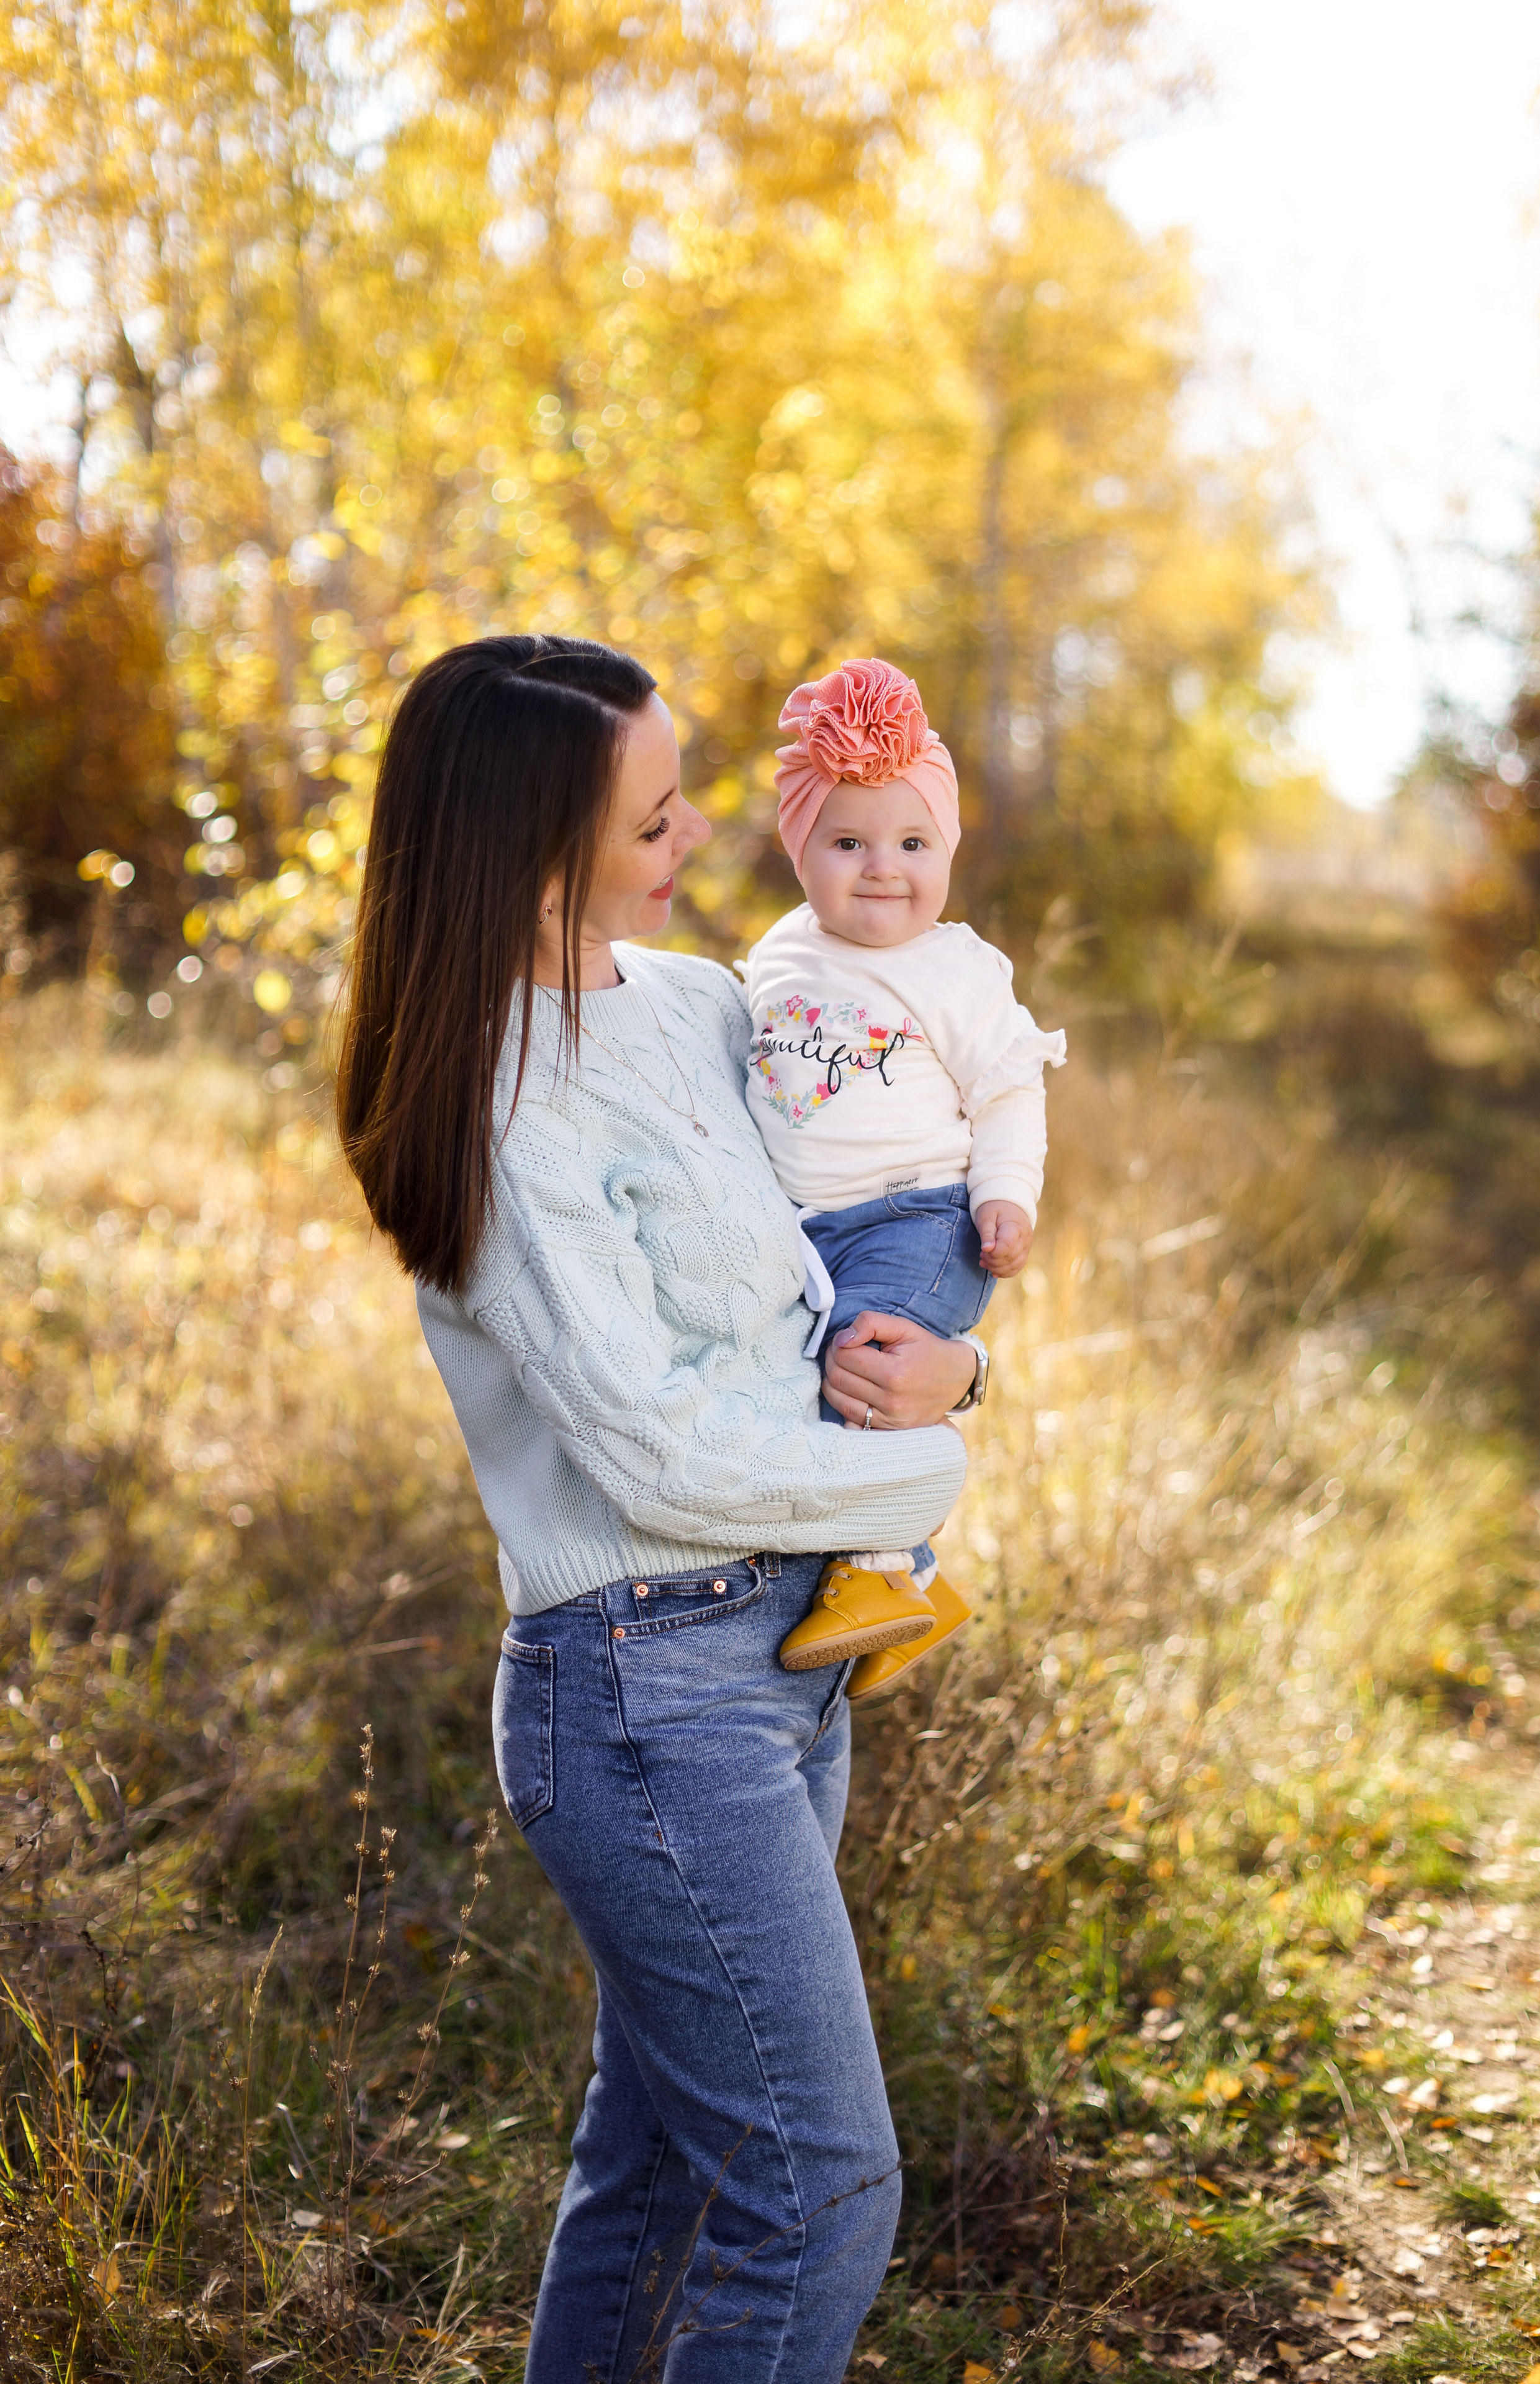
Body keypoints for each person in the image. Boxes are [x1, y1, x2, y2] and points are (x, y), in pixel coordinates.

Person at [335, 633, 981, 2384]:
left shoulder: (699, 1006)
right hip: (641, 1692)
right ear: (525, 845)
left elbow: (859, 1249)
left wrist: (958, 1376)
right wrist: (936, 1470)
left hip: (788, 1653)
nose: (696, 833)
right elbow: (662, 1449)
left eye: (683, 792)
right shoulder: (499, 1101)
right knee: (822, 2187)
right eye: (649, 817)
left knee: (666, 2169)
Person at [741, 659, 1066, 1694]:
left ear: (948, 849)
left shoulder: (956, 967)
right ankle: (905, 1583)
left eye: (913, 843)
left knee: (872, 1364)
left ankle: (885, 1571)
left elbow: (1011, 1093)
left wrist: (1007, 1197)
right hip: (812, 1234)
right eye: (848, 843)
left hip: (921, 1219)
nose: (884, 868)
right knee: (817, 1378)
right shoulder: (780, 956)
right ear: (800, 850)